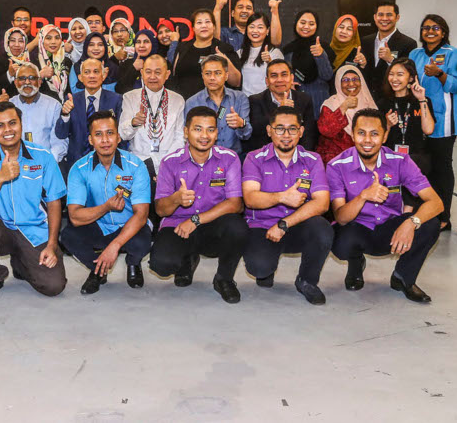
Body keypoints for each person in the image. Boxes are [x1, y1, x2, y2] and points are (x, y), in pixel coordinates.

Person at [328, 109, 443, 303]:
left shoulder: (400, 161)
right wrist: (363, 196)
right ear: (352, 134)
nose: (367, 140)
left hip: (390, 229)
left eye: (374, 134)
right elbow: (340, 217)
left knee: (430, 223)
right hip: (357, 228)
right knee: (340, 241)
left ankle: (403, 277)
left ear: (385, 135)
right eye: (361, 133)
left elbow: (436, 202)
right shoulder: (337, 165)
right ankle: (355, 264)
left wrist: (411, 223)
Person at [0, 102, 67, 301]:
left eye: (12, 123)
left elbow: (54, 202)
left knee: (53, 286)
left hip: (33, 231)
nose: (7, 130)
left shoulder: (43, 157)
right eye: (0, 125)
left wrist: (52, 244)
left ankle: (22, 263)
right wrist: (0, 178)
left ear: (21, 124)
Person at [150, 106, 248, 304]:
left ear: (217, 132)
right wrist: (176, 198)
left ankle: (224, 279)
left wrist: (196, 220)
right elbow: (161, 210)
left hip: (213, 225)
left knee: (238, 228)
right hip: (178, 225)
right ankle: (188, 258)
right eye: (197, 129)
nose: (204, 135)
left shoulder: (229, 159)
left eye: (210, 129)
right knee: (161, 265)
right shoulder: (170, 162)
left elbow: (236, 204)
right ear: (186, 132)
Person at [241, 106, 333, 305]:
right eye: (279, 128)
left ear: (301, 132)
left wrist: (284, 224)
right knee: (259, 267)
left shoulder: (313, 160)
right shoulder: (253, 158)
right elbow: (250, 198)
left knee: (323, 230)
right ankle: (267, 269)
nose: (286, 135)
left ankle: (307, 281)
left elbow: (323, 202)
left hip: (297, 225)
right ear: (269, 131)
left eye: (292, 129)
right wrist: (281, 197)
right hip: (262, 227)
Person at [61, 111, 152, 294]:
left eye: (110, 133)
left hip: (129, 226)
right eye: (98, 134)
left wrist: (115, 246)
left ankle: (133, 264)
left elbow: (141, 215)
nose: (105, 140)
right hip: (99, 225)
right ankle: (98, 270)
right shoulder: (79, 169)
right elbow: (75, 217)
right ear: (90, 139)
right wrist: (106, 207)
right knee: (69, 236)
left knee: (143, 239)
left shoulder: (136, 166)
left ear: (118, 137)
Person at [408, 14, 457, 230]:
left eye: (435, 28)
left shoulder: (454, 54)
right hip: (419, 119)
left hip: (444, 120)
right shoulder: (415, 53)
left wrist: (439, 73)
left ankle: (443, 217)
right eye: (425, 28)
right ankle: (423, 213)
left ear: (444, 32)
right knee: (422, 168)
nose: (430, 32)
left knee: (441, 169)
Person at [118, 55, 185, 198]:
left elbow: (180, 137)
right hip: (139, 160)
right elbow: (123, 135)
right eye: (148, 72)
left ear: (167, 74)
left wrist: (165, 164)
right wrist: (133, 123)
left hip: (169, 160)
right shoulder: (130, 97)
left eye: (158, 72)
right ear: (141, 73)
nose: (152, 76)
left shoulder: (178, 100)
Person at [376, 58, 435, 212]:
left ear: (410, 77)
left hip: (416, 156)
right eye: (391, 74)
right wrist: (387, 125)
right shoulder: (383, 103)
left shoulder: (422, 101)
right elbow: (379, 140)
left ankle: (407, 212)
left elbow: (428, 130)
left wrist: (421, 99)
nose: (394, 79)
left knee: (411, 164)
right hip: (390, 156)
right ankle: (401, 212)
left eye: (400, 74)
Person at [56, 57, 123, 166]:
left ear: (104, 75)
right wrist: (65, 114)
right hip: (76, 163)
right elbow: (60, 134)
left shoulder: (116, 100)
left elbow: (121, 136)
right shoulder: (71, 100)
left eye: (96, 71)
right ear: (80, 77)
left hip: (108, 162)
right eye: (87, 72)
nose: (92, 76)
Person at [183, 55, 251, 155]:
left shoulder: (239, 98)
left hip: (233, 158)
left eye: (218, 73)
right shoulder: (192, 102)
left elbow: (247, 135)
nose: (212, 78)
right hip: (204, 158)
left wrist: (241, 124)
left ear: (226, 75)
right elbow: (188, 136)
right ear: (202, 75)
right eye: (207, 73)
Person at [244, 60, 317, 154]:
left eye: (284, 75)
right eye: (274, 76)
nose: (279, 80)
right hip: (266, 154)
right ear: (267, 81)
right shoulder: (255, 100)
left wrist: (303, 156)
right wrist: (279, 110)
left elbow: (309, 134)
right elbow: (257, 132)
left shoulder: (304, 99)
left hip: (297, 154)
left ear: (291, 78)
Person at [172, 9, 242, 98]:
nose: (204, 26)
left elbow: (237, 82)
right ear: (193, 28)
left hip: (212, 105)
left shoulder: (224, 48)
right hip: (184, 104)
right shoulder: (182, 47)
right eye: (199, 23)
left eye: (208, 22)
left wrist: (225, 60)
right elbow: (174, 76)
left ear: (213, 26)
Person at [7, 64, 68, 163]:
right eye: (22, 78)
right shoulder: (9, 106)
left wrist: (47, 163)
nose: (27, 82)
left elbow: (59, 142)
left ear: (39, 82)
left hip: (46, 163)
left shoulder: (53, 105)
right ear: (16, 83)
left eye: (32, 78)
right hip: (14, 164)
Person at [317, 65, 377, 163]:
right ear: (338, 83)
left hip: (364, 159)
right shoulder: (330, 104)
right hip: (336, 161)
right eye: (345, 80)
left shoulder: (369, 103)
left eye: (355, 79)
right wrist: (343, 107)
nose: (351, 83)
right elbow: (326, 130)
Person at [282, 9, 335, 117]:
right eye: (302, 22)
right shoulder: (288, 49)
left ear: (317, 26)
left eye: (311, 24)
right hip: (297, 103)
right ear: (296, 24)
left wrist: (321, 55)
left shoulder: (323, 47)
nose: (306, 27)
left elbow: (327, 76)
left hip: (319, 102)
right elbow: (287, 74)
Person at [361, 0, 418, 94]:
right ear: (375, 17)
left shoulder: (408, 43)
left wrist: (391, 60)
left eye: (389, 15)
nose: (384, 18)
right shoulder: (365, 41)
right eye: (380, 15)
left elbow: (409, 73)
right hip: (367, 96)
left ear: (397, 17)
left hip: (391, 97)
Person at [213, 0, 283, 52]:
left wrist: (274, 12)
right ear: (233, 13)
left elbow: (276, 41)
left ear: (253, 14)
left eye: (248, 8)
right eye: (240, 7)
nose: (244, 11)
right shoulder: (225, 33)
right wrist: (218, 8)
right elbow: (214, 39)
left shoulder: (259, 33)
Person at [238, 11, 284, 96]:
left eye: (260, 27)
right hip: (246, 102)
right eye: (251, 27)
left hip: (266, 102)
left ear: (267, 30)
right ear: (246, 29)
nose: (255, 31)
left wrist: (270, 62)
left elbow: (281, 78)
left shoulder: (275, 53)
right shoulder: (240, 53)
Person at [0, 26, 28, 100]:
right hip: (5, 108)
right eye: (12, 40)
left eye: (21, 41)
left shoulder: (30, 63)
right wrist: (9, 74)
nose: (17, 45)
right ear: (7, 42)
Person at [34, 24, 72, 100]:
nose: (53, 42)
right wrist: (40, 75)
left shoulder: (67, 61)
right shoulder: (33, 63)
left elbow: (70, 89)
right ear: (41, 40)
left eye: (57, 38)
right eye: (48, 38)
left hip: (64, 107)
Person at [114, 28, 158, 93]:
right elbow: (119, 90)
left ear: (153, 44)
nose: (141, 45)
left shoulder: (162, 64)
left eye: (146, 42)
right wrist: (133, 69)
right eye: (138, 42)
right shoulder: (127, 64)